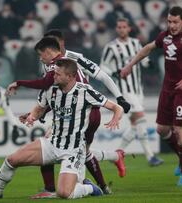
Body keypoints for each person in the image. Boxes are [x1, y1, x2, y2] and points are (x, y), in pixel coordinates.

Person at [0, 58, 124, 199]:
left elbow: (116, 107)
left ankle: (90, 188)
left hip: (73, 149)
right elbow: (39, 108)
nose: (53, 76)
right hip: (51, 143)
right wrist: (32, 116)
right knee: (12, 159)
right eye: (54, 73)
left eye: (58, 74)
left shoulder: (85, 91)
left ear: (70, 76)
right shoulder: (50, 90)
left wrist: (115, 118)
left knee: (64, 193)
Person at [7, 36, 128, 197]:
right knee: (75, 148)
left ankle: (71, 187)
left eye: (41, 53)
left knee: (73, 147)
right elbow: (56, 94)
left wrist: (119, 97)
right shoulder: (53, 66)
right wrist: (38, 113)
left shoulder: (71, 59)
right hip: (75, 109)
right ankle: (105, 174)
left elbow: (101, 75)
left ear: (54, 46)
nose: (40, 57)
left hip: (86, 109)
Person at [120, 6, 182, 186]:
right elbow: (147, 48)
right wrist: (130, 65)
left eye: (175, 22)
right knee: (162, 129)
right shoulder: (164, 36)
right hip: (167, 89)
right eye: (169, 21)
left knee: (179, 129)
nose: (172, 25)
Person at [100, 18, 164, 167]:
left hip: (137, 89)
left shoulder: (135, 43)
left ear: (129, 29)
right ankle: (150, 157)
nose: (121, 29)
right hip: (123, 89)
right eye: (119, 27)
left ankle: (117, 154)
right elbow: (102, 66)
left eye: (124, 27)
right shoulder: (111, 47)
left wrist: (149, 64)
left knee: (135, 124)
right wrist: (114, 73)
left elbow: (142, 58)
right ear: (116, 29)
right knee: (141, 118)